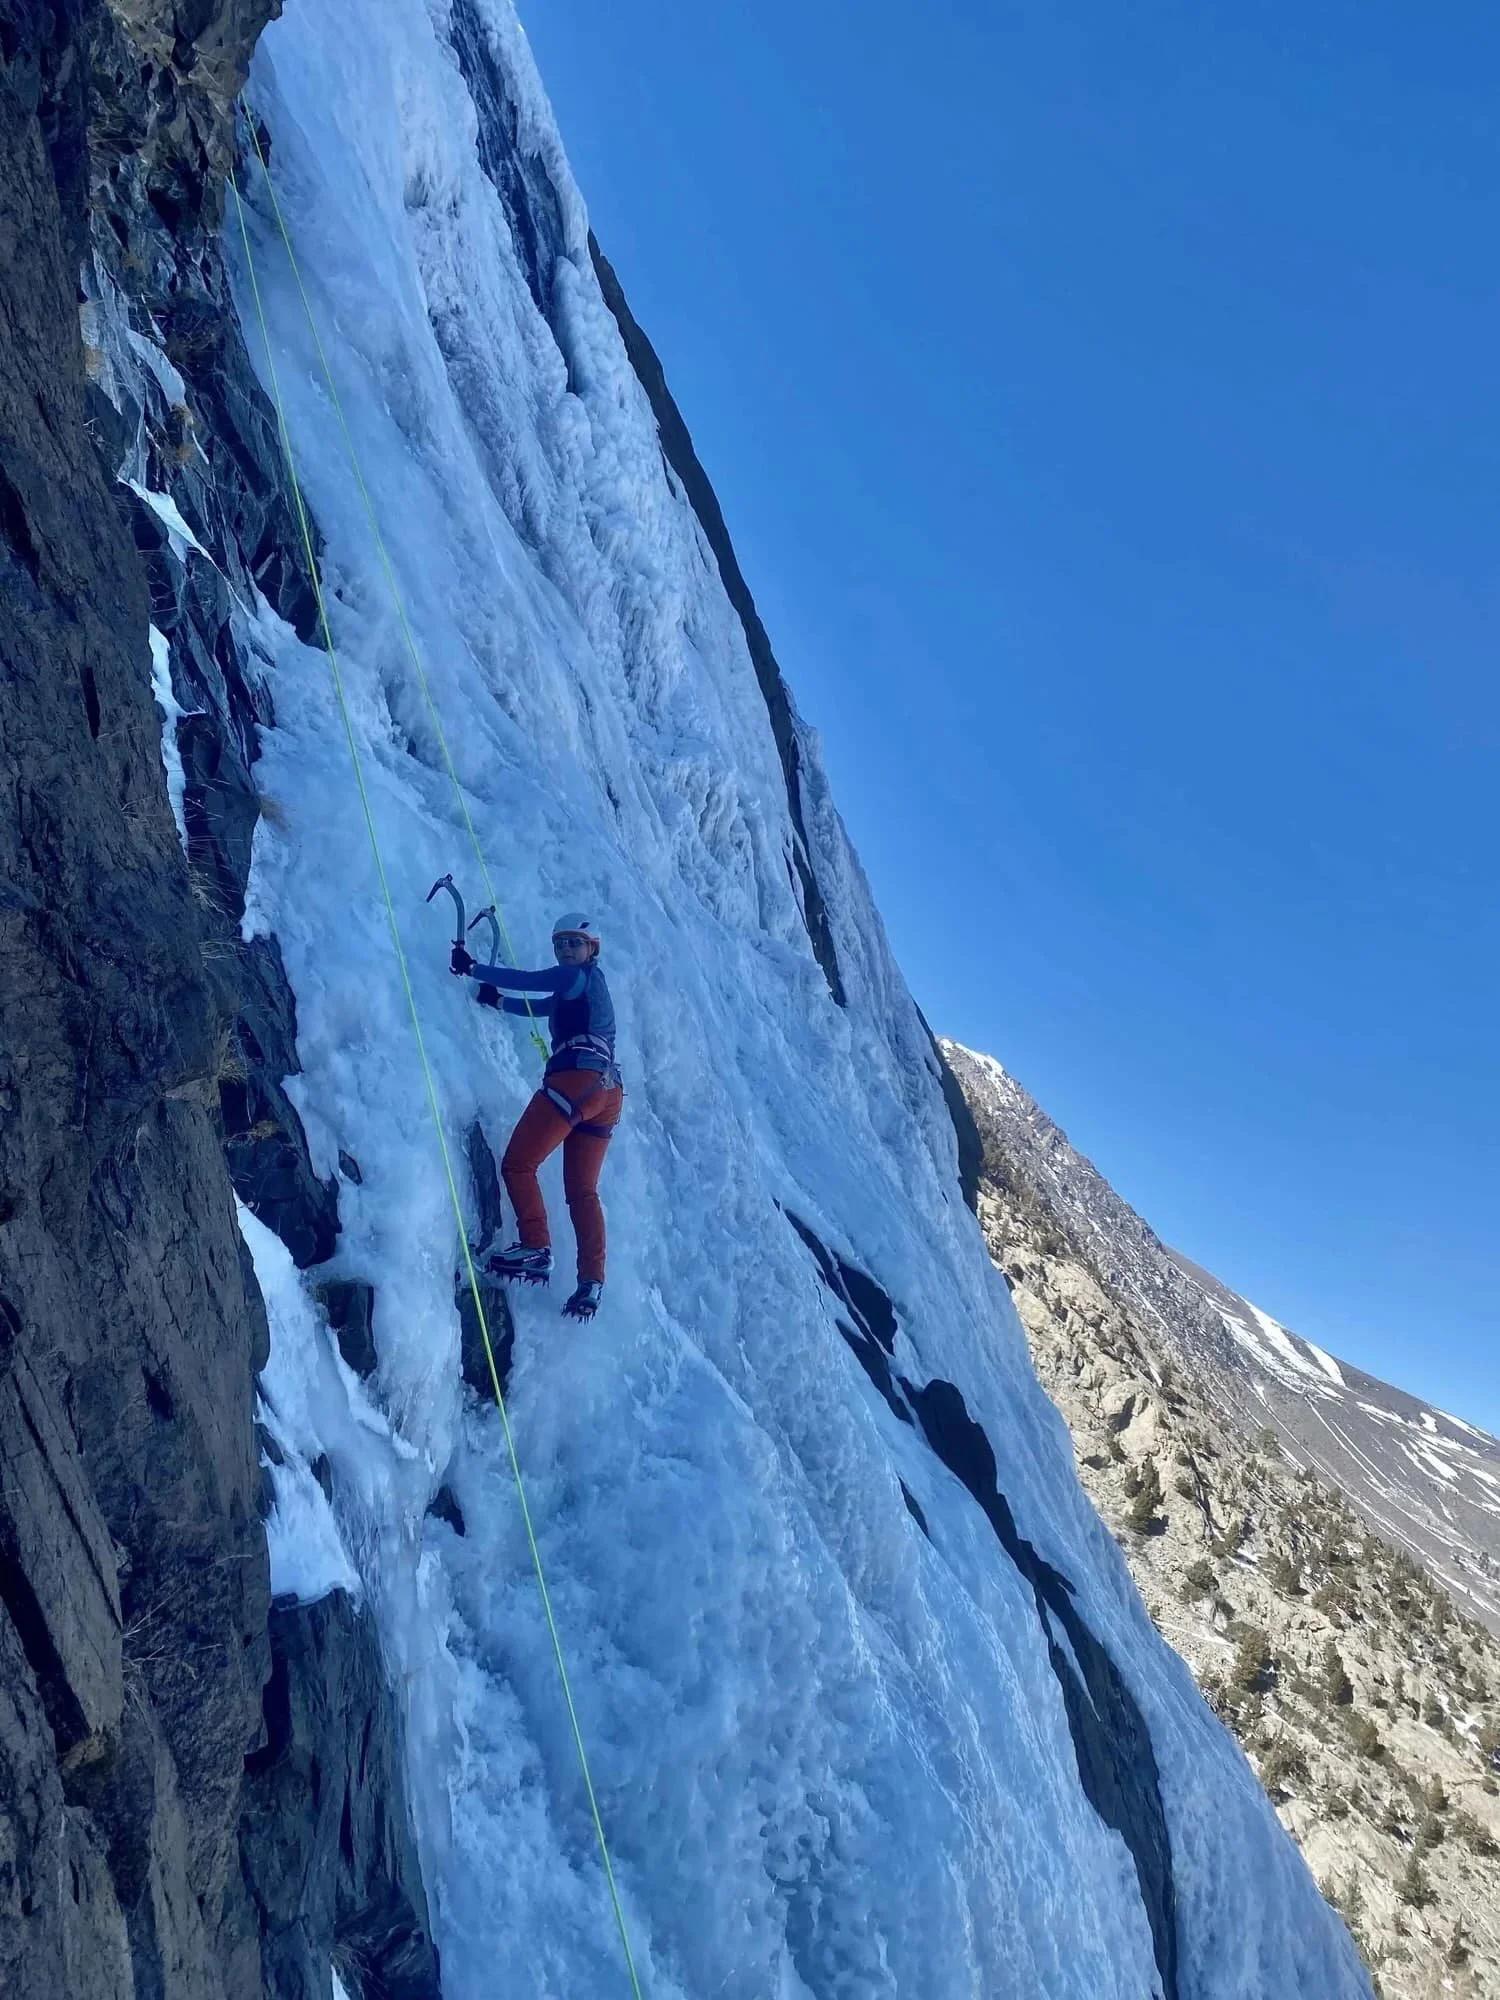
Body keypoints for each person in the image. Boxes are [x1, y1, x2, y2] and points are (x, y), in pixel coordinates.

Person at [450, 911, 622, 1320]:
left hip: (576, 1078)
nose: (565, 949)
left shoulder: (573, 977)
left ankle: (536, 1246)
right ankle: (591, 1283)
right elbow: (542, 1007)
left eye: (572, 943)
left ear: (590, 948)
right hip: (607, 1092)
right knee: (583, 1191)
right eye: (559, 943)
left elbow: (533, 980)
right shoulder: (584, 988)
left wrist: (472, 967)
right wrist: (498, 1001)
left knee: (519, 1163)